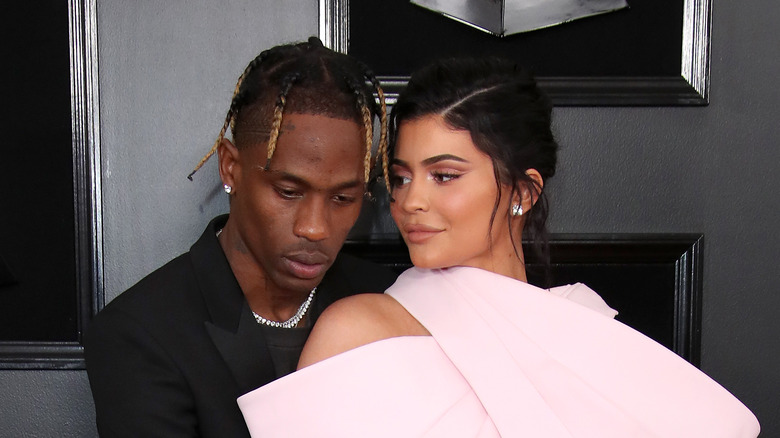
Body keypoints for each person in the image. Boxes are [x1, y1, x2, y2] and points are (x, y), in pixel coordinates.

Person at [236, 57, 761, 437]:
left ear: (524, 191)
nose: (410, 201)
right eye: (400, 178)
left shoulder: (587, 330)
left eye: (443, 176)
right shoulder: (357, 332)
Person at [84, 37, 398, 438]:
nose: (315, 227)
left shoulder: (388, 300)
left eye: (343, 197)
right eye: (288, 192)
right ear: (231, 168)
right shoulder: (141, 333)